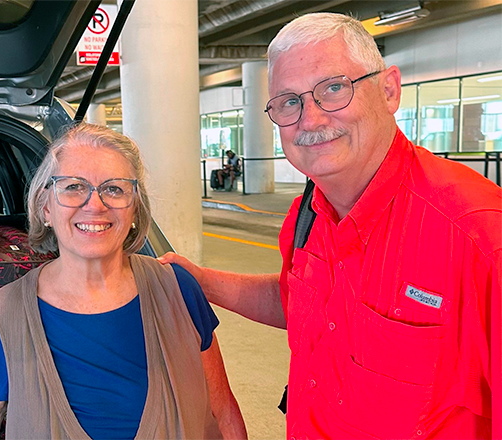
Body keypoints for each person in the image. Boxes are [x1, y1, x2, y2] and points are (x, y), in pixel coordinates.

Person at [159, 12, 502, 440]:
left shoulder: (477, 237)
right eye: (289, 101)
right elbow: (299, 300)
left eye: (334, 88)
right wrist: (201, 282)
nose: (311, 119)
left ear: (389, 90)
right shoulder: (308, 215)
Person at [0, 123, 247, 440]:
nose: (95, 204)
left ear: (135, 208)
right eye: (73, 186)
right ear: (45, 206)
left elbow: (222, 413)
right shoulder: (7, 314)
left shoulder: (178, 289)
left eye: (114, 189)